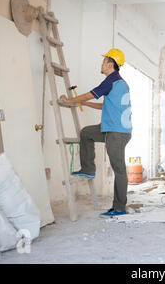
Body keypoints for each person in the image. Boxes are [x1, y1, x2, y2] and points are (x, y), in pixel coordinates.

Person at [60, 48, 132, 217]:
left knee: (119, 170)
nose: (101, 64)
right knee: (86, 133)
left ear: (110, 64)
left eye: (103, 61)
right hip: (111, 130)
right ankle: (88, 168)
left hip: (116, 133)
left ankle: (119, 207)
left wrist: (69, 100)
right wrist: (84, 104)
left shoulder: (111, 80)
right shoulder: (120, 83)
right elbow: (105, 105)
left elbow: (90, 94)